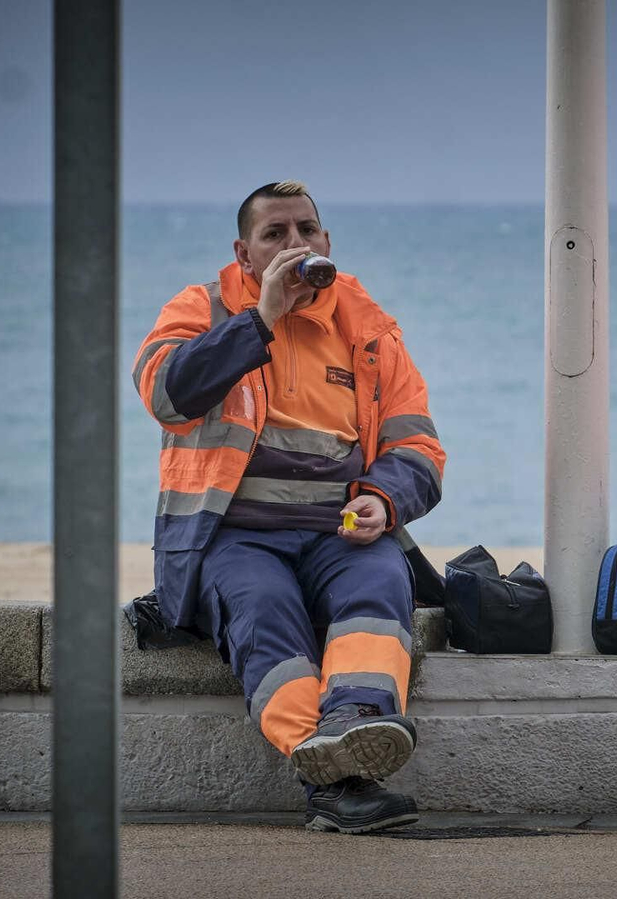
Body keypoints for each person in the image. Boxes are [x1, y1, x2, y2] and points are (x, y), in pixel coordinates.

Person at [131, 181, 445, 834]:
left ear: (327, 241)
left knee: (381, 588)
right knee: (264, 608)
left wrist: (382, 499)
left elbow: (417, 445)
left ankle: (356, 723)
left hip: (341, 531)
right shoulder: (202, 308)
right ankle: (333, 776)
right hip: (233, 535)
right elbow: (165, 394)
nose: (294, 243)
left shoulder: (369, 327)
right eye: (274, 234)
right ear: (244, 253)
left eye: (305, 230)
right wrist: (261, 319)